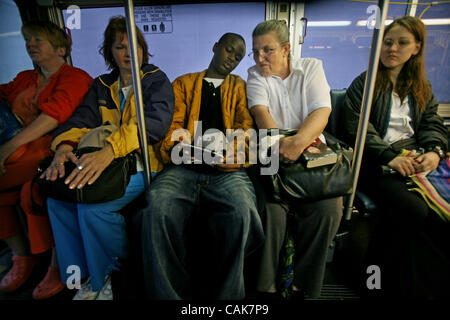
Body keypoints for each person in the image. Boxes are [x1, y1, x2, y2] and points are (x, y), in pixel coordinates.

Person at [41, 16, 174, 300]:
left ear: (143, 49)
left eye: (134, 46)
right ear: (109, 52)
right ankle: (80, 275)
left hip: (141, 163)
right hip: (102, 159)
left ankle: (110, 277)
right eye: (120, 47)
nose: (128, 53)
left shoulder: (155, 80)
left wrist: (111, 149)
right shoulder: (102, 85)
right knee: (58, 200)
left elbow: (155, 125)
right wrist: (64, 146)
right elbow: (82, 120)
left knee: (94, 208)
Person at [138, 32, 264, 300]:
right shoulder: (183, 84)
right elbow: (171, 127)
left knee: (243, 211)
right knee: (157, 205)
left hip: (226, 171)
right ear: (215, 47)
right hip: (184, 168)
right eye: (229, 50)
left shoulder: (239, 87)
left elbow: (245, 128)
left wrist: (234, 153)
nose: (232, 58)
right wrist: (180, 149)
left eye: (239, 56)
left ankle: (228, 298)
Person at [342, 16, 449, 298]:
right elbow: (357, 128)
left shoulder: (421, 87)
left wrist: (434, 153)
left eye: (402, 43)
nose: (392, 48)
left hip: (413, 157)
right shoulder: (365, 84)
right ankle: (375, 281)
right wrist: (389, 157)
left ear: (416, 48)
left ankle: (411, 282)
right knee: (414, 211)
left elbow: (431, 126)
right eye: (388, 42)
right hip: (374, 164)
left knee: (439, 217)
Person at [246, 19, 343, 299]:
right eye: (255, 52)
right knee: (271, 212)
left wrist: (298, 144)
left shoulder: (312, 68)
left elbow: (320, 112)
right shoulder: (255, 75)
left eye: (267, 50)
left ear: (287, 48)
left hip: (309, 151)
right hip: (274, 154)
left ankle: (304, 287)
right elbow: (262, 115)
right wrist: (281, 147)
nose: (259, 58)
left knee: (328, 211)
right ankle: (266, 287)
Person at [0, 20, 92, 299]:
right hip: (21, 151)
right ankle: (21, 255)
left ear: (61, 49)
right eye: (28, 40)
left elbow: (53, 116)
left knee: (37, 193)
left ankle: (57, 264)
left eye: (38, 40)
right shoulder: (26, 78)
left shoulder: (74, 77)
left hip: (53, 148)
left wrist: (7, 148)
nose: (30, 45)